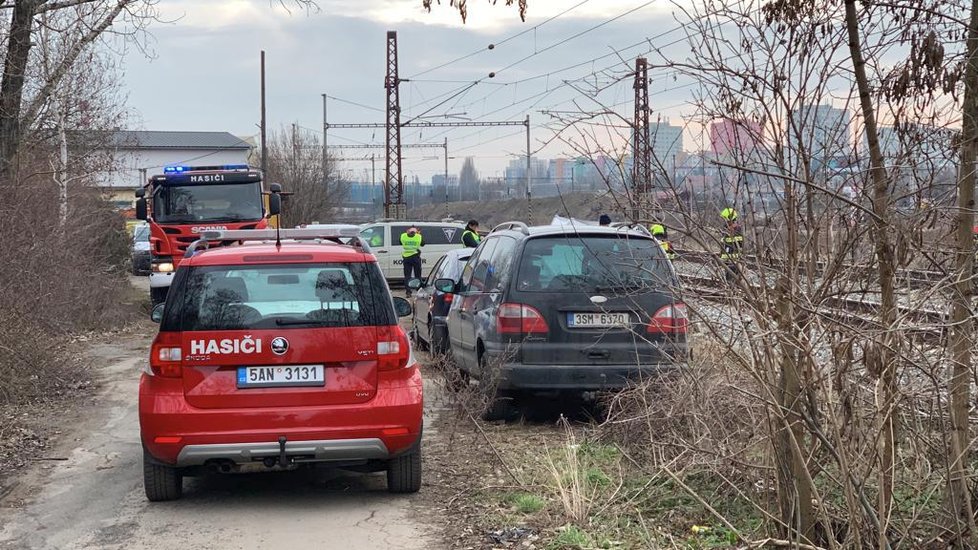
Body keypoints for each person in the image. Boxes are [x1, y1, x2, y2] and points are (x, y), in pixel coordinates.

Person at [719, 207, 744, 281]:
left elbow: (739, 245)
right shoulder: (726, 230)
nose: (724, 221)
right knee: (729, 279)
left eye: (725, 219)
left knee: (733, 280)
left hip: (734, 261)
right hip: (727, 261)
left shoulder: (737, 230)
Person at [400, 225, 424, 296]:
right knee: (418, 275)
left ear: (408, 231)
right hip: (415, 257)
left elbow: (400, 242)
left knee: (407, 276)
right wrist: (418, 234)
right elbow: (423, 244)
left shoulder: (403, 236)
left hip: (406, 257)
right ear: (416, 231)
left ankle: (408, 292)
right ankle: (419, 290)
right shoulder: (418, 237)